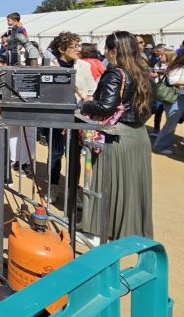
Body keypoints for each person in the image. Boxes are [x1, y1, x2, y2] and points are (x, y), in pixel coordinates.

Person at [79, 31, 153, 241]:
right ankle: (130, 229)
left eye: (107, 48)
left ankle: (97, 229)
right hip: (138, 135)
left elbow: (106, 105)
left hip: (116, 135)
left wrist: (85, 103)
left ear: (113, 50)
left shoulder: (115, 73)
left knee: (104, 182)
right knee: (132, 187)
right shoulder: (143, 72)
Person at [46, 32, 96, 201]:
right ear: (61, 49)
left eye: (78, 45)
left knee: (74, 156)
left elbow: (92, 88)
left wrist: (88, 98)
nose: (78, 49)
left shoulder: (83, 66)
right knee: (55, 154)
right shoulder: (49, 66)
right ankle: (53, 187)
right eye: (74, 46)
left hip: (77, 116)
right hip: (55, 117)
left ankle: (73, 193)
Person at [0, 55, 35, 177]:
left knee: (28, 135)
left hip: (25, 109)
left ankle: (26, 163)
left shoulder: (16, 74)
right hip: (8, 110)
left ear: (5, 64)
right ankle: (15, 159)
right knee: (13, 133)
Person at [150, 49, 175, 137]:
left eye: (162, 55)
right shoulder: (157, 65)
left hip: (171, 93)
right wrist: (153, 76)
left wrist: (160, 73)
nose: (159, 57)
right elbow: (155, 78)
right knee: (157, 111)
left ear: (168, 56)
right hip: (160, 91)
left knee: (171, 114)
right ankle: (156, 130)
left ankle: (168, 133)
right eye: (160, 55)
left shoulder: (174, 66)